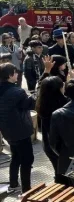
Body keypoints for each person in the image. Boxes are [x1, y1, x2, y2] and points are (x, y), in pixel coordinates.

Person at [0, 63, 36, 192]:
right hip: (21, 130)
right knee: (27, 159)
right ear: (10, 75)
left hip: (6, 130)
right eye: (15, 73)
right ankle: (27, 189)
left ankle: (13, 184)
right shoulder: (18, 92)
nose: (17, 75)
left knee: (15, 156)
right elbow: (30, 105)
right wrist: (34, 96)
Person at [36, 75, 68, 182]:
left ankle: (59, 189)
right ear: (58, 89)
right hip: (62, 146)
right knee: (66, 175)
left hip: (49, 145)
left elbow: (39, 88)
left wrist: (46, 72)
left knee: (58, 171)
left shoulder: (41, 103)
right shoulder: (64, 104)